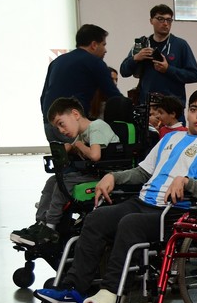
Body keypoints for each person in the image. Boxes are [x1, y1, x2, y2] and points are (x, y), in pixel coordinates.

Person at [34, 89, 197, 303]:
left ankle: (110, 293)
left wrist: (186, 182)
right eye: (195, 110)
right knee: (97, 218)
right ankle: (73, 289)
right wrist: (113, 177)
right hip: (144, 202)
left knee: (130, 223)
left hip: (174, 213)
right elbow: (143, 172)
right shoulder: (172, 138)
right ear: (187, 113)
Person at [11, 97, 120, 247]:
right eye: (57, 128)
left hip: (107, 174)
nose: (61, 130)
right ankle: (41, 222)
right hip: (94, 172)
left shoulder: (97, 126)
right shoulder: (82, 134)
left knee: (65, 182)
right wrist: (66, 149)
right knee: (53, 181)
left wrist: (79, 145)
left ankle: (50, 227)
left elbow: (95, 155)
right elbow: (75, 150)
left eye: (61, 124)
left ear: (75, 114)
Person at [39, 24, 121, 142]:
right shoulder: (95, 62)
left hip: (50, 124)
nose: (105, 50)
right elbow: (113, 95)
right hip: (72, 124)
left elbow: (44, 96)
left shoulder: (57, 61)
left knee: (62, 159)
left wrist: (49, 120)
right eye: (103, 45)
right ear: (94, 45)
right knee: (87, 157)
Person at [119, 4, 197, 112]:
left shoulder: (180, 45)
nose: (165, 23)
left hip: (172, 110)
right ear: (151, 20)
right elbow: (124, 71)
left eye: (169, 20)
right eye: (160, 19)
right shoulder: (142, 44)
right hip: (148, 108)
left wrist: (168, 69)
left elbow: (194, 75)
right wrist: (136, 58)